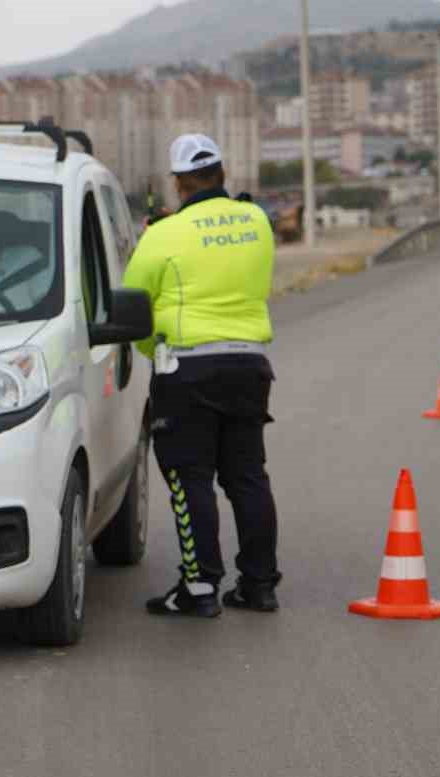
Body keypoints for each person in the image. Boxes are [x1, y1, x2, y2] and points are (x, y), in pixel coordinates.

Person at [122, 133, 282, 618]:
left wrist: (156, 352)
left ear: (178, 181)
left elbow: (133, 307)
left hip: (188, 369)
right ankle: (259, 585)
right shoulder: (256, 220)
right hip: (249, 364)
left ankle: (199, 588)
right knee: (247, 477)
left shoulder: (164, 234)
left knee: (189, 479)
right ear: (222, 173)